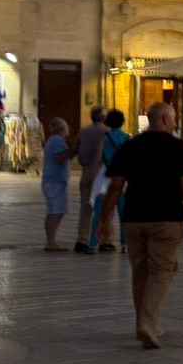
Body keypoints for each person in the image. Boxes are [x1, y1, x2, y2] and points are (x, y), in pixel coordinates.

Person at [98, 102, 183, 349]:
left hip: (134, 218)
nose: (176, 123)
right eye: (174, 119)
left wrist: (105, 218)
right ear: (165, 119)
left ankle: (146, 323)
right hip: (166, 218)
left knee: (141, 271)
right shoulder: (177, 148)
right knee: (162, 270)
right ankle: (146, 322)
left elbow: (115, 185)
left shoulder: (131, 145)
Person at [90, 109, 131, 253]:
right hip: (121, 178)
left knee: (100, 212)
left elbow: (97, 159)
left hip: (105, 176)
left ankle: (93, 243)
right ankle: (125, 244)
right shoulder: (127, 138)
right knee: (123, 213)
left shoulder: (104, 138)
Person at [70, 106, 108, 254]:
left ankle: (82, 240)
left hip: (85, 171)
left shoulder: (83, 131)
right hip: (101, 172)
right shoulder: (107, 132)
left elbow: (75, 147)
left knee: (85, 208)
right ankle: (102, 240)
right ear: (103, 117)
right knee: (103, 208)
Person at [41, 117, 75, 251]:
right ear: (62, 129)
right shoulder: (57, 141)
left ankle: (51, 240)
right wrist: (73, 149)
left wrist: (73, 150)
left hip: (55, 181)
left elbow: (65, 156)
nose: (69, 129)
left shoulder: (55, 141)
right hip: (54, 182)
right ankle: (50, 242)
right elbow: (60, 158)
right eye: (67, 127)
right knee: (55, 212)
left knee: (57, 211)